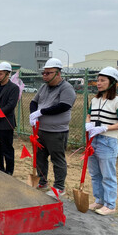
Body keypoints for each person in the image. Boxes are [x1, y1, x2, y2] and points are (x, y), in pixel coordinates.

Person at [29, 58, 76, 198]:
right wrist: (33, 114)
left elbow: (64, 106)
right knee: (40, 158)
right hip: (41, 129)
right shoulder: (43, 87)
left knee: (57, 159)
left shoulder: (66, 88)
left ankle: (59, 187)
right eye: (44, 73)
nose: (45, 76)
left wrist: (41, 112)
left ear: (58, 73)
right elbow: (34, 101)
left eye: (48, 73)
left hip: (57, 131)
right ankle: (42, 181)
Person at [86, 67, 118, 216]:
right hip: (93, 139)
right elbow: (89, 115)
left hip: (108, 141)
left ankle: (110, 205)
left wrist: (105, 128)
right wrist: (88, 124)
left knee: (108, 174)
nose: (98, 83)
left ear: (112, 83)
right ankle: (99, 200)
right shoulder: (94, 100)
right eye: (98, 80)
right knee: (95, 173)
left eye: (103, 80)